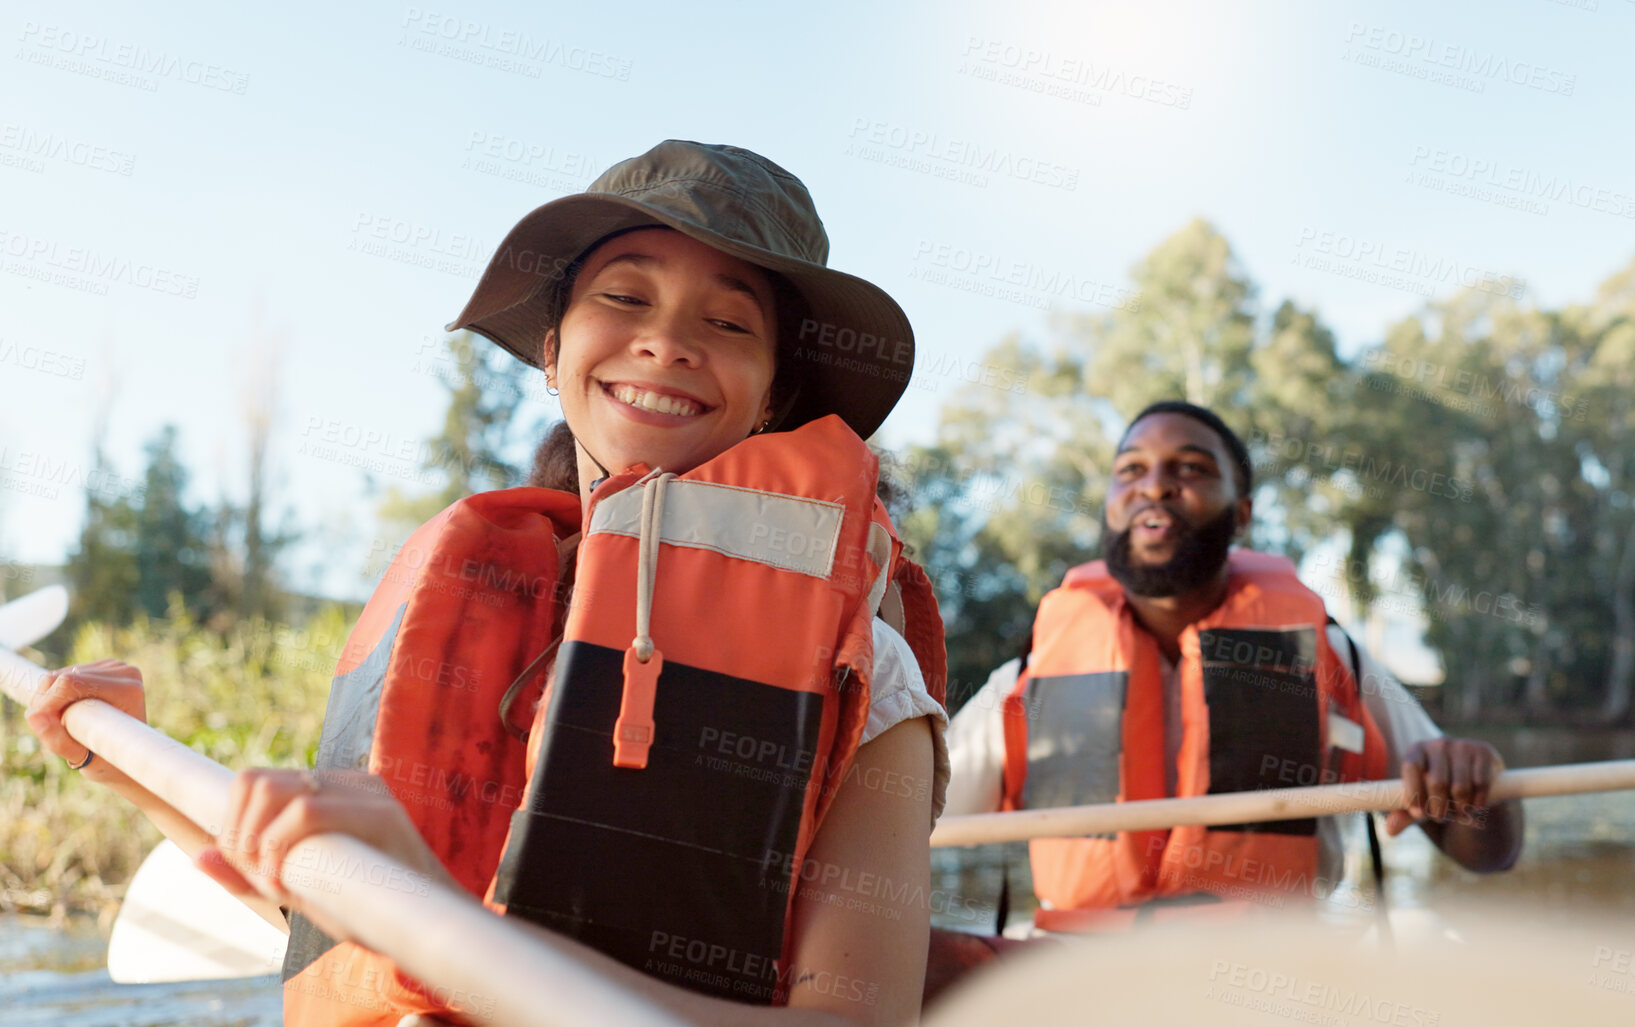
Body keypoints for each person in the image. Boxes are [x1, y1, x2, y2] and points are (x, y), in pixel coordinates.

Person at [27, 140, 952, 1025]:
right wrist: (132, 769)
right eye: (625, 297)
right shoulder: (473, 607)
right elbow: (345, 934)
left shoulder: (864, 672)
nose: (666, 342)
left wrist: (448, 932)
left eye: (726, 321)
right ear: (553, 353)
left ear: (776, 396)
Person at [941, 400, 1523, 933]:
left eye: (1190, 468)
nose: (1156, 486)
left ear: (1241, 515)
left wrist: (1469, 780)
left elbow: (1490, 852)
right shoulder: (1031, 671)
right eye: (1131, 470)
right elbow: (910, 818)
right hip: (1082, 978)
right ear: (1111, 506)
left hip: (1267, 978)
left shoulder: (1329, 654)